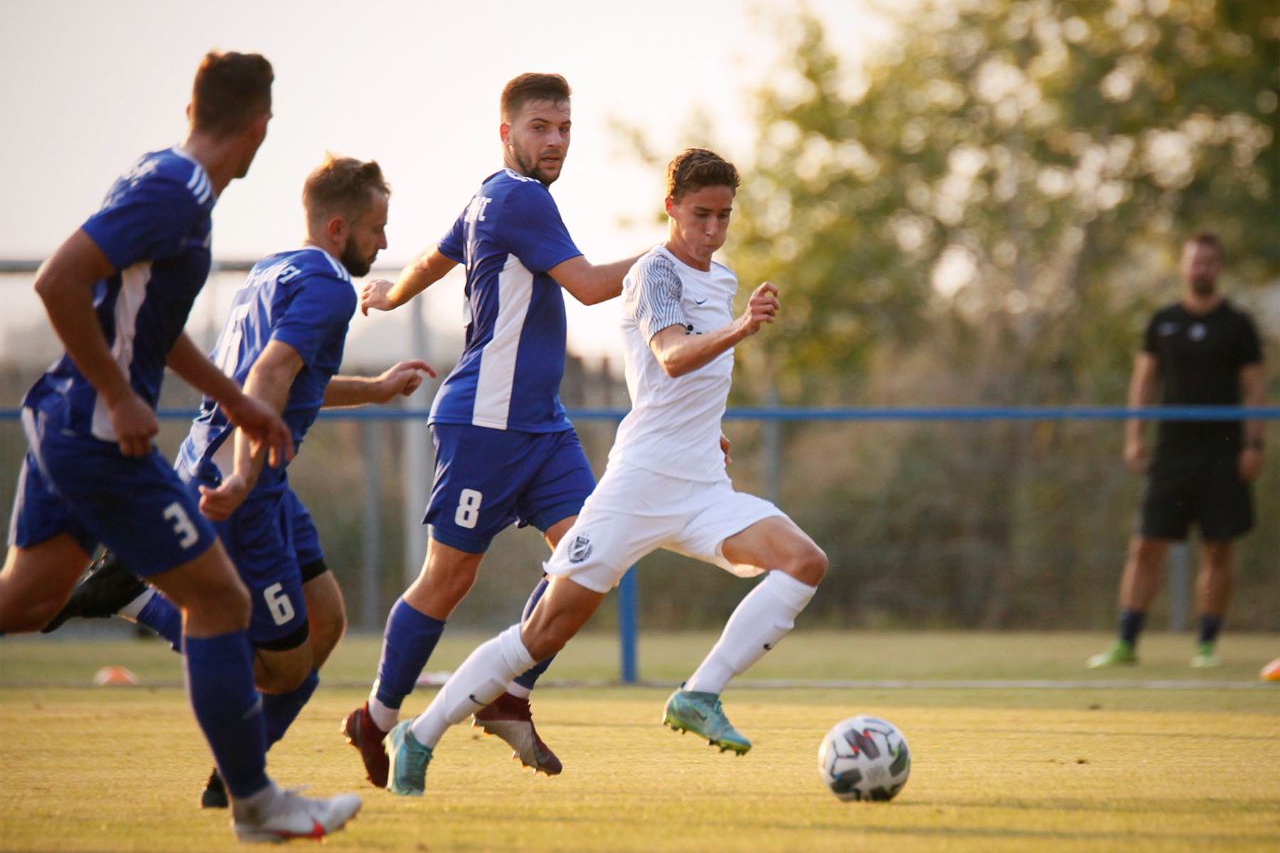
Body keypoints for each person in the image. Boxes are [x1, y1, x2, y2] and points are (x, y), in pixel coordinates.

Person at [380, 147, 828, 796]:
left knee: (803, 561)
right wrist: (740, 329)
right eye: (700, 214)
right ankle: (418, 734)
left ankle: (699, 694)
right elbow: (672, 356)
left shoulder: (722, 278)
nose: (712, 229)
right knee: (542, 632)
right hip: (637, 487)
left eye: (723, 216)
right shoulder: (654, 273)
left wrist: (707, 426)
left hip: (703, 487)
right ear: (670, 208)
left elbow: (683, 384)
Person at [0, 51, 364, 842]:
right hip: (97, 433)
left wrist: (238, 403)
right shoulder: (177, 192)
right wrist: (120, 394)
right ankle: (254, 803)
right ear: (260, 127)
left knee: (25, 602)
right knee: (220, 602)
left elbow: (155, 331)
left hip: (66, 419)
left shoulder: (163, 178)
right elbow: (59, 281)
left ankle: (250, 795)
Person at [43, 155, 434, 809]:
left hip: (252, 474)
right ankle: (136, 597)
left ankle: (232, 783)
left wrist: (373, 389)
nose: (384, 241)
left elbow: (287, 377)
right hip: (241, 481)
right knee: (280, 667)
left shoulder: (272, 271)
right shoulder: (331, 288)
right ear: (338, 229)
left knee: (326, 623)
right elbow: (269, 376)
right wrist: (248, 475)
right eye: (376, 228)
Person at [342, 72, 640, 788]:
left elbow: (436, 255)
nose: (556, 141)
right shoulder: (518, 198)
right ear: (505, 133)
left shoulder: (491, 196)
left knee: (592, 558)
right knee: (448, 580)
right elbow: (590, 287)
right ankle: (376, 718)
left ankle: (509, 693)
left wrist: (393, 293)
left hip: (541, 426)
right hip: (483, 421)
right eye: (540, 127)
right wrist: (675, 253)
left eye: (564, 128)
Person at [1088, 232, 1266, 670]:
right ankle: (1126, 642)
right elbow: (1143, 382)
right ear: (1183, 267)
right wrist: (1134, 436)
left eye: (1209, 261)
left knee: (1218, 550)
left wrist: (1254, 444)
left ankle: (1206, 646)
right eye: (1194, 261)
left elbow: (1255, 388)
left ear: (1218, 267)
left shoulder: (1237, 324)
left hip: (1223, 454)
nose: (1201, 269)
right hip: (1171, 453)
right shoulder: (1163, 321)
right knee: (1146, 547)